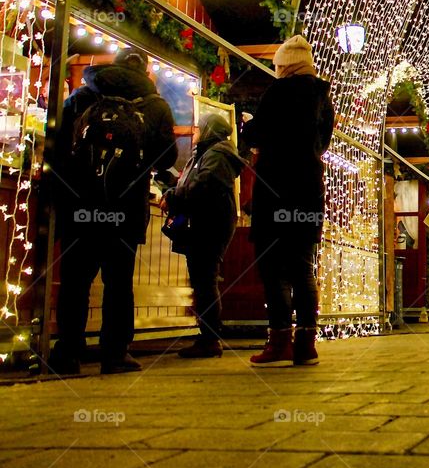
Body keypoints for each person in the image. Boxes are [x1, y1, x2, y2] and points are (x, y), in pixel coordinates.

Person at [50, 48, 176, 375]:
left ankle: (67, 353)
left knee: (75, 281)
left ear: (113, 66)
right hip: (125, 207)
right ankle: (115, 354)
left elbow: (56, 142)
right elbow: (166, 158)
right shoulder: (155, 106)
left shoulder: (83, 96)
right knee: (118, 283)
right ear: (145, 72)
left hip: (80, 204)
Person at [244, 35, 334, 367]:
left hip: (276, 190)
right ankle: (306, 344)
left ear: (287, 66)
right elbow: (322, 143)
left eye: (279, 65)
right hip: (308, 191)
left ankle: (279, 340)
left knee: (273, 268)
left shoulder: (279, 92)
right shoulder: (323, 98)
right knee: (302, 267)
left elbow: (256, 134)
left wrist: (248, 129)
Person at [163, 115, 245, 358]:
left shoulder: (217, 155)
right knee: (202, 279)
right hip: (205, 223)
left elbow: (204, 186)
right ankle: (208, 336)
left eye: (199, 128)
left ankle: (210, 338)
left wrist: (174, 197)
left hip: (210, 224)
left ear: (209, 130)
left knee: (205, 279)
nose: (195, 132)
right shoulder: (209, 153)